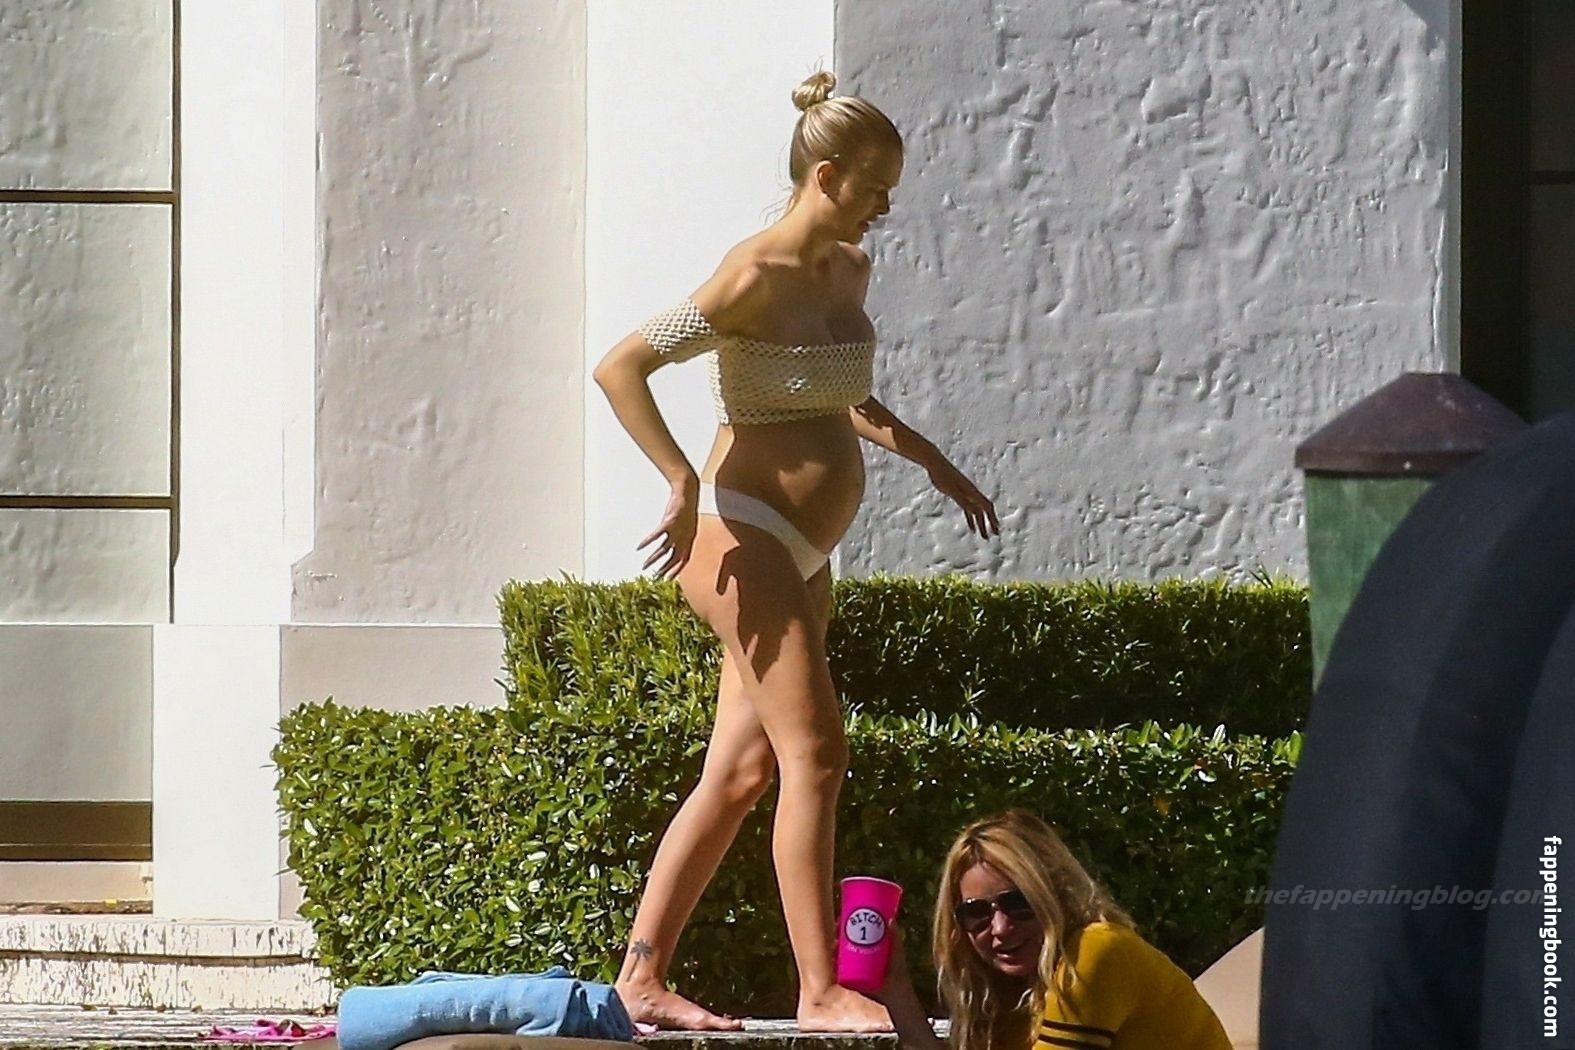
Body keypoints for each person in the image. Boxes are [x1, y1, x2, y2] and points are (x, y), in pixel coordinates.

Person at [592, 69, 1000, 1032]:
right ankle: (820, 991)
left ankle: (640, 977)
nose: (883, 206)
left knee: (739, 775)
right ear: (826, 175)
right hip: (742, 535)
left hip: (805, 552)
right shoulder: (753, 275)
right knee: (815, 754)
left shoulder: (847, 269)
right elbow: (621, 367)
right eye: (873, 187)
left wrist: (929, 457)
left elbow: (836, 392)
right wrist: (679, 480)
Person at [876, 811, 1233, 1050]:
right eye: (976, 913)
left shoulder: (1095, 953)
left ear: (1056, 895)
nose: (1000, 928)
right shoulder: (1014, 996)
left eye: (1018, 903)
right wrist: (896, 990)